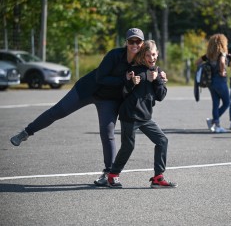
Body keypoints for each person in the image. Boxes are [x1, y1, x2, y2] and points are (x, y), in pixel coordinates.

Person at [9, 28, 146, 186]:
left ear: (142, 44)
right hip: (87, 89)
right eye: (131, 41)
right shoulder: (114, 55)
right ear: (126, 43)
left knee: (107, 133)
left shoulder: (140, 63)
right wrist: (124, 79)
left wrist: (159, 79)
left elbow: (149, 72)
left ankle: (109, 174)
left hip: (110, 100)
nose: (134, 44)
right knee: (57, 111)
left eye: (138, 41)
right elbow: (101, 77)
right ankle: (26, 132)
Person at [107, 40, 177, 188]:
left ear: (157, 54)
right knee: (128, 146)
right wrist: (131, 82)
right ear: (142, 56)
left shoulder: (157, 71)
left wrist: (158, 81)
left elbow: (161, 96)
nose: (151, 58)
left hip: (145, 117)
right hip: (130, 115)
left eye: (153, 54)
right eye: (148, 55)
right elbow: (123, 93)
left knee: (162, 140)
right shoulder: (134, 70)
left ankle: (158, 177)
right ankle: (113, 175)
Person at [196, 34, 230, 133]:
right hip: (220, 81)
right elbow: (223, 62)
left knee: (215, 103)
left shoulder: (209, 55)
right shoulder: (222, 53)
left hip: (211, 82)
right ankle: (215, 123)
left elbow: (197, 62)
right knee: (227, 102)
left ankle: (215, 124)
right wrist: (222, 71)